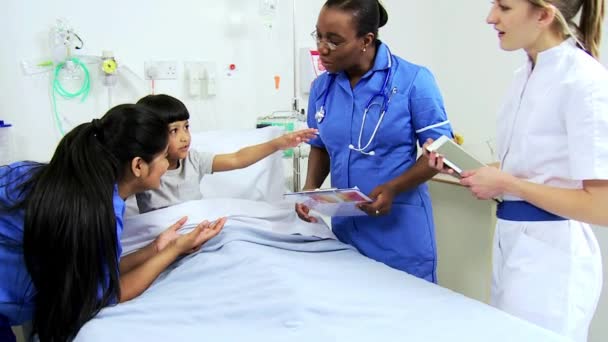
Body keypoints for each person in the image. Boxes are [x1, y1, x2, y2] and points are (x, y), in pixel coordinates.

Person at [425, 0, 607, 340]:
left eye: (504, 7)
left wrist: (508, 183)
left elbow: (600, 205)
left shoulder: (585, 81)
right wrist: (460, 170)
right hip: (513, 242)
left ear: (543, 15)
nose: (490, 17)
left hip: (554, 258)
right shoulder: (525, 76)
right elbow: (527, 168)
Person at [0, 104, 227, 341]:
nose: (165, 165)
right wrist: (174, 251)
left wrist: (156, 248)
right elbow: (107, 292)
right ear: (138, 165)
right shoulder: (97, 213)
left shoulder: (36, 175)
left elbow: (97, 272)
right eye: (162, 157)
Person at [295, 0, 453, 282]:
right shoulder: (323, 87)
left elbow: (440, 151)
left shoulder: (414, 80)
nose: (322, 47)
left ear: (366, 41)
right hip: (346, 230)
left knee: (405, 317)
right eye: (318, 35)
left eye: (334, 40)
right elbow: (320, 145)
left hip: (399, 232)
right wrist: (310, 191)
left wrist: (393, 188)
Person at [135, 94, 318, 213]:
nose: (185, 137)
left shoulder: (193, 160)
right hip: (160, 233)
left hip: (194, 226)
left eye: (186, 127)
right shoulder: (141, 170)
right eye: (174, 131)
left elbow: (237, 159)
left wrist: (278, 144)